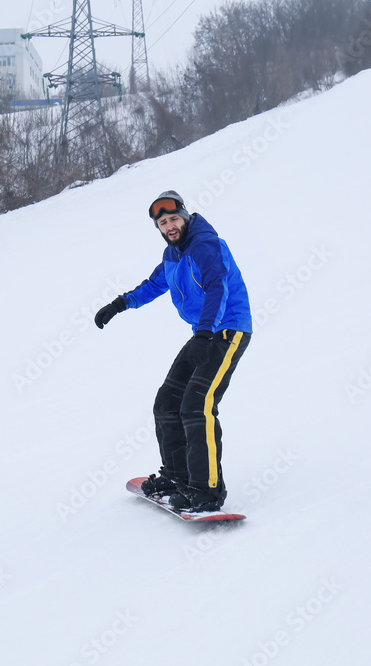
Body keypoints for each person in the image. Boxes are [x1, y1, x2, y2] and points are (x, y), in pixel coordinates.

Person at [95, 191, 252, 512]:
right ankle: (178, 475)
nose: (169, 225)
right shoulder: (173, 254)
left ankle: (207, 490)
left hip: (228, 330)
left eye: (173, 218)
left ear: (185, 216)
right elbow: (154, 284)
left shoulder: (205, 246)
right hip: (204, 334)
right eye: (163, 222)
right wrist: (120, 304)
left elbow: (217, 287)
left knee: (198, 405)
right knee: (167, 403)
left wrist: (206, 331)